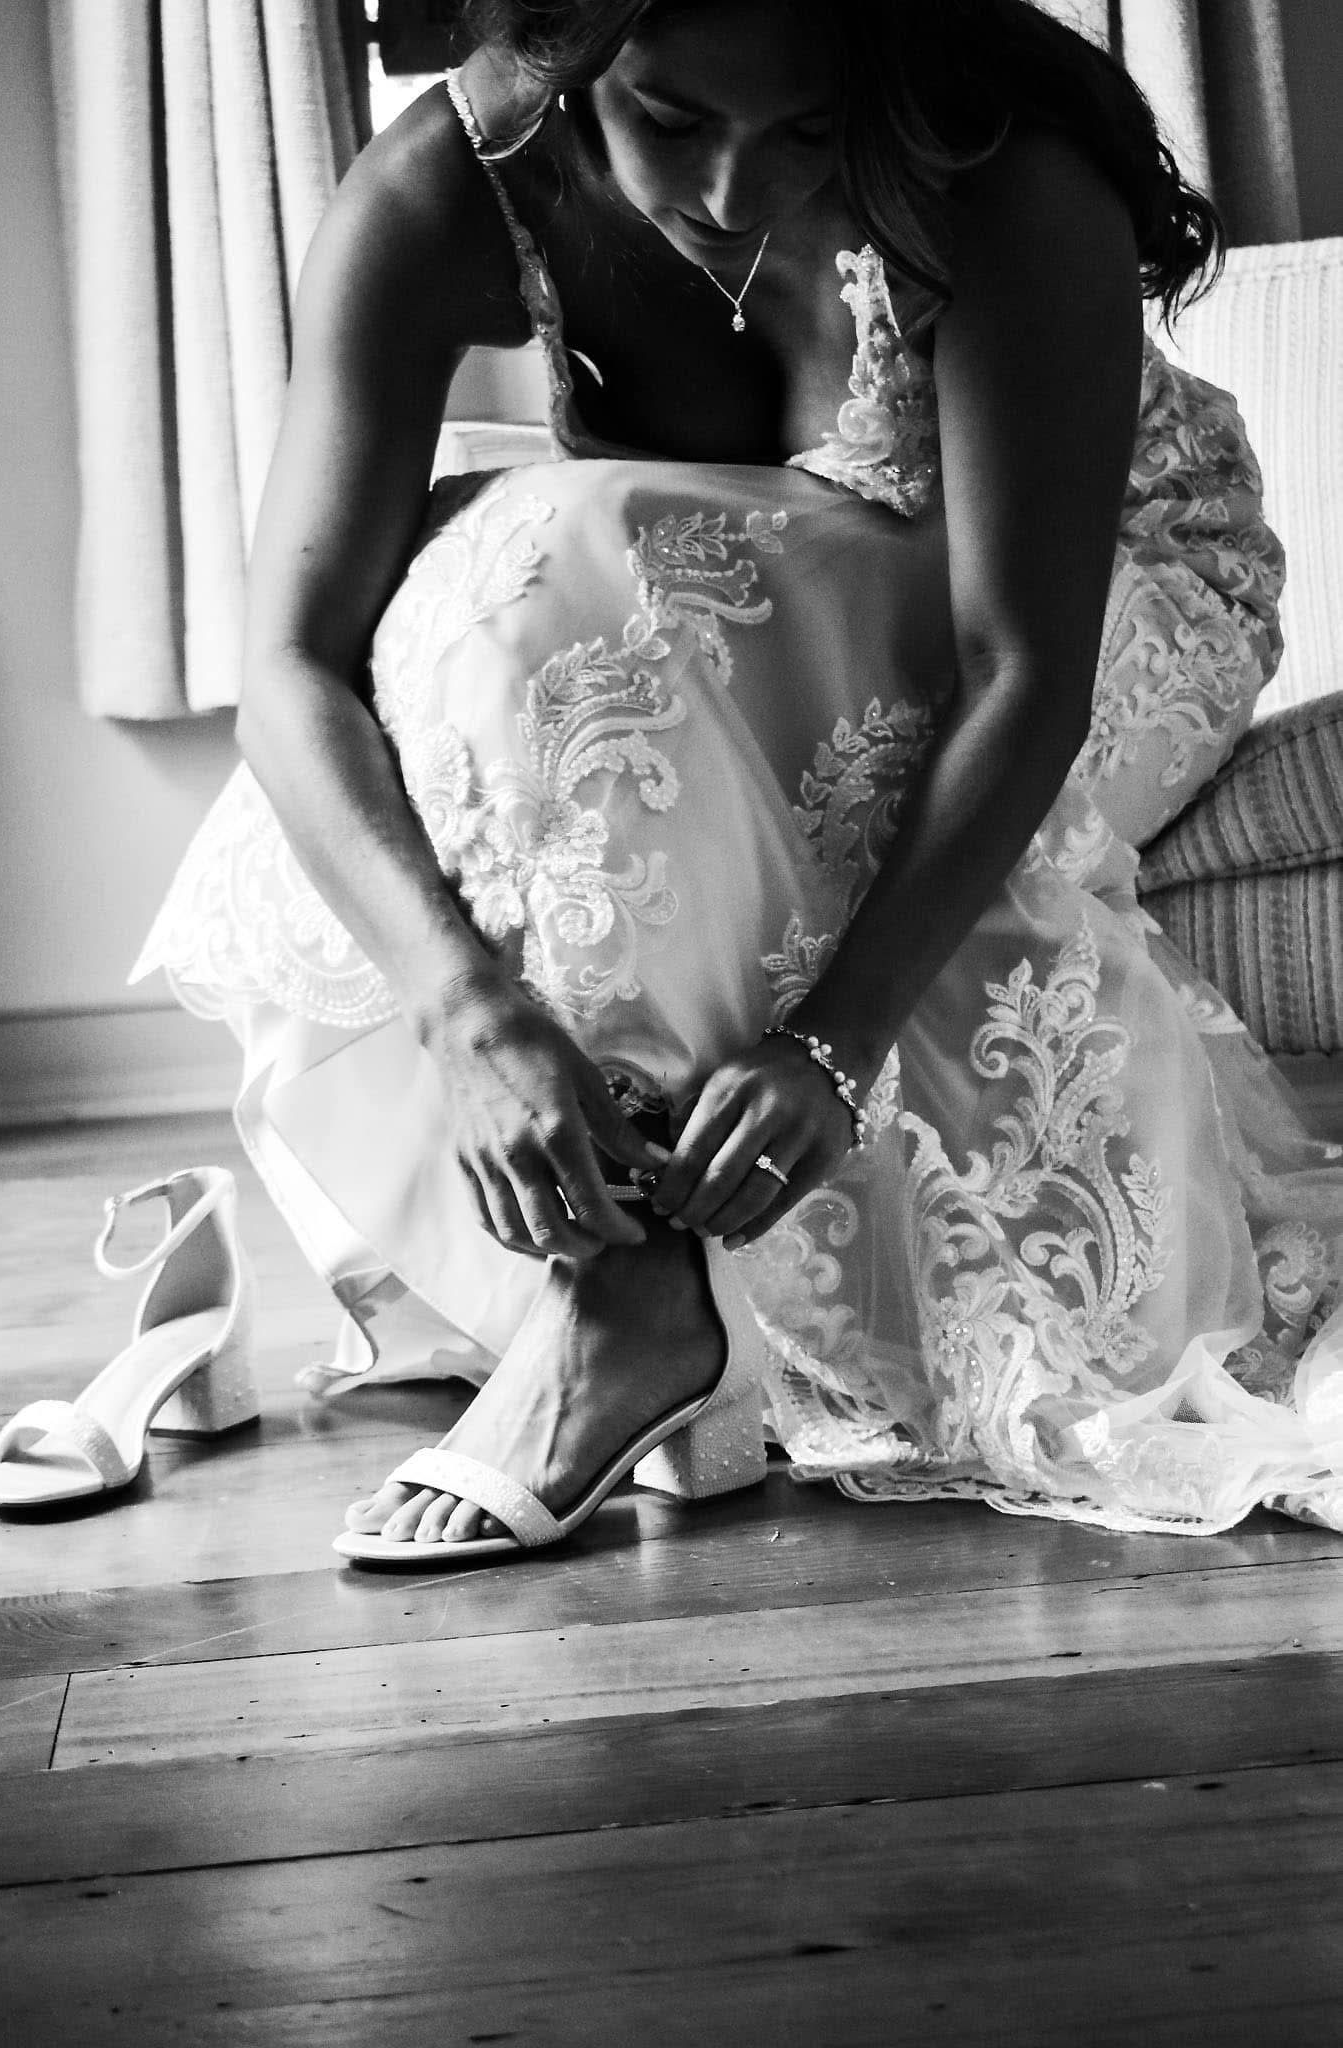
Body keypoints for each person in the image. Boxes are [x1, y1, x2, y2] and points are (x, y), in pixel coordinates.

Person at [134, 0, 1342, 1555]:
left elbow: (1019, 670)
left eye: (799, 131)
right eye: (672, 118)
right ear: (568, 66)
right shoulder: (444, 185)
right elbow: (287, 674)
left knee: (585, 555)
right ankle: (634, 1284)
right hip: (775, 621)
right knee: (475, 574)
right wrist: (467, 1009)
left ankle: (638, 1314)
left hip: (1090, 610)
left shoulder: (996, 173)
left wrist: (831, 1052)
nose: (725, 191)